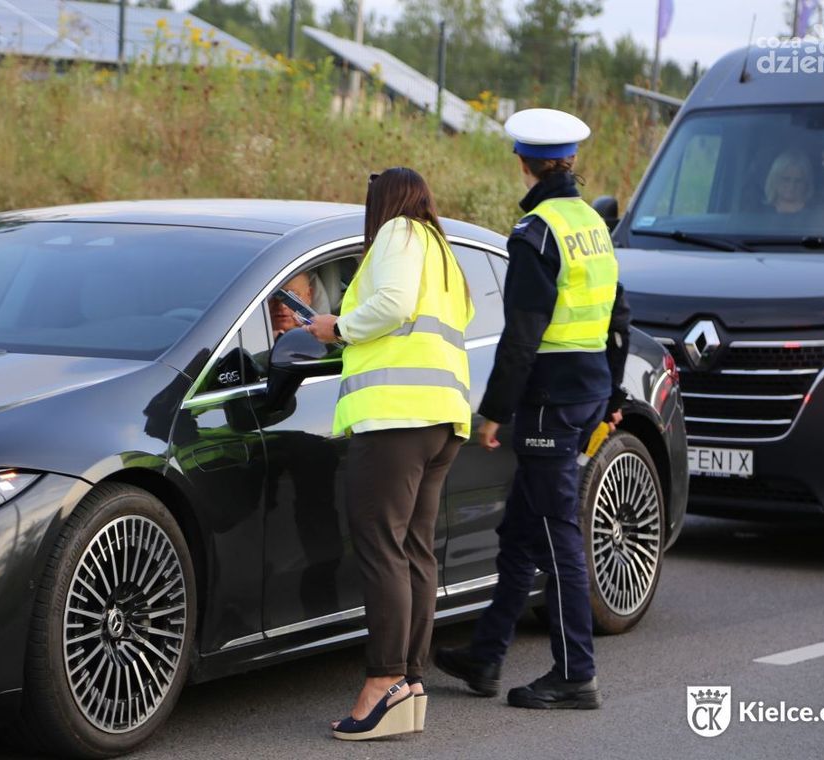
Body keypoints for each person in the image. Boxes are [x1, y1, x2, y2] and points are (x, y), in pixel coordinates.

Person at [434, 108, 631, 710]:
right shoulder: (592, 226)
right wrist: (614, 396)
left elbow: (521, 335)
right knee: (522, 529)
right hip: (587, 390)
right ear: (569, 160)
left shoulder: (538, 234)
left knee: (557, 533)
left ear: (523, 162)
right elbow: (618, 318)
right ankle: (486, 655)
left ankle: (576, 674)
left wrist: (493, 412)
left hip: (548, 400)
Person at [307, 167, 474, 740]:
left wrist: (338, 327)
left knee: (382, 547)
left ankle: (384, 682)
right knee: (413, 550)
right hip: (441, 420)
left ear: (386, 202)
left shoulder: (398, 233)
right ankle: (412, 682)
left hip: (396, 420)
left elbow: (395, 305)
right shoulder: (444, 252)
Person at [764, 149, 814, 214]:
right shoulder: (756, 212)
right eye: (786, 179)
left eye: (798, 181)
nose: (792, 186)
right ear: (774, 179)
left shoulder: (815, 214)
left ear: (806, 183)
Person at [268, 271, 315, 338]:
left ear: (309, 295)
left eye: (291, 296)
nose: (282, 306)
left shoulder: (326, 337)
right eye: (273, 296)